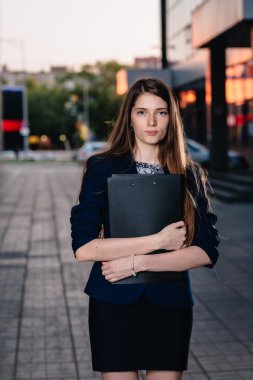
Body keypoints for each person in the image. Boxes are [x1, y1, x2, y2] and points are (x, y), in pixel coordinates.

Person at [70, 77, 220, 380]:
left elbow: (205, 250)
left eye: (161, 112)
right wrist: (159, 240)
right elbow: (84, 248)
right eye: (142, 112)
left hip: (170, 303)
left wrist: (138, 263)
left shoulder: (189, 174)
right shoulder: (101, 168)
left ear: (171, 119)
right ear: (129, 118)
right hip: (112, 302)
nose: (152, 121)